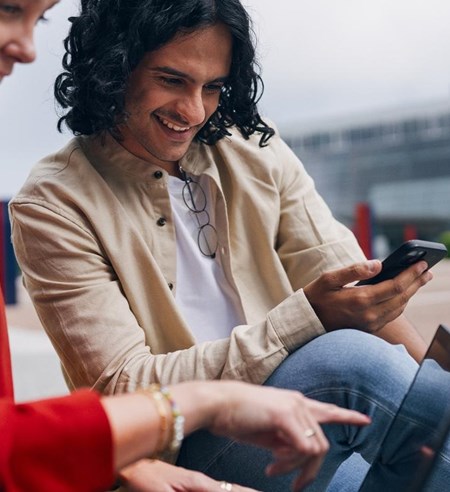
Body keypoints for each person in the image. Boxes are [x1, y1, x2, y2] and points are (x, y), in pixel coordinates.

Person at [8, 0, 448, 490]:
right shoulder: (53, 203)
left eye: (213, 87)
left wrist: (437, 387)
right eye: (172, 80)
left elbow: (352, 279)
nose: (193, 110)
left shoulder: (254, 148)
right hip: (181, 452)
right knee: (347, 361)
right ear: (114, 67)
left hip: (306, 434)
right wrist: (308, 319)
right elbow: (122, 388)